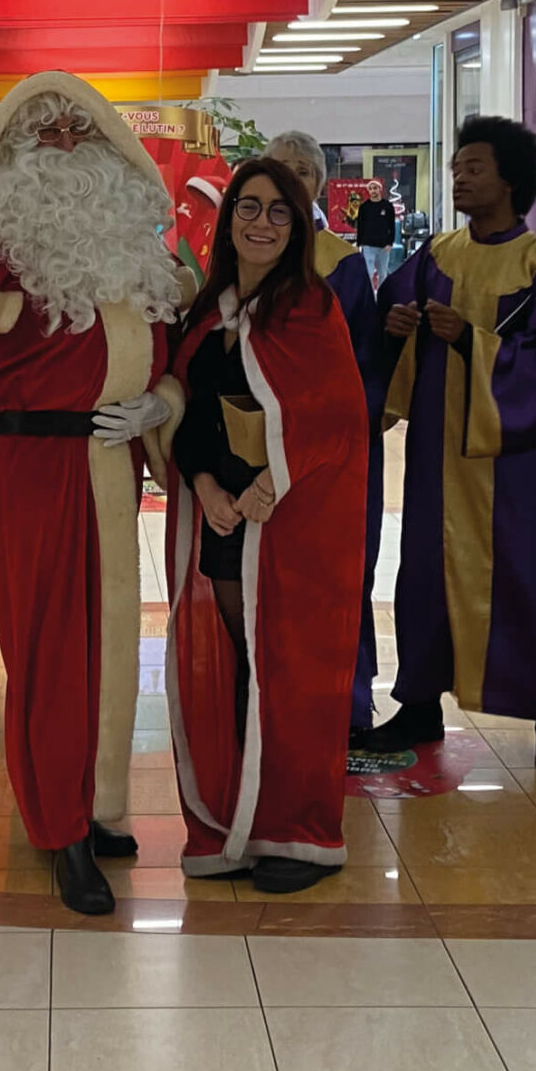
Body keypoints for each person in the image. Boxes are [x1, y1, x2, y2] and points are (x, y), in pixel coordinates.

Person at [0, 73, 185, 915]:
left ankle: (97, 802)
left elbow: (173, 350)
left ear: (109, 141)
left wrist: (162, 402)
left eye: (76, 124)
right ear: (11, 149)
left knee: (109, 643)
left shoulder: (134, 239)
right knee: (51, 651)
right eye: (40, 127)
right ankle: (60, 830)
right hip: (36, 469)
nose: (59, 137)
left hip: (114, 464)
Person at [355, 116, 536, 773]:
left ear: (511, 179)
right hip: (441, 457)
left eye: (475, 168)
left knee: (525, 580)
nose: (461, 178)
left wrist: (469, 338)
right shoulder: (438, 257)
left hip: (519, 464)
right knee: (427, 578)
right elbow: (390, 318)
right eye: (457, 167)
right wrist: (397, 322)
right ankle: (419, 704)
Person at [161, 157, 366, 891]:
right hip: (220, 520)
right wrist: (207, 483)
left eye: (279, 211)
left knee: (291, 673)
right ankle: (237, 819)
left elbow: (340, 419)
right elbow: (185, 408)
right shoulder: (207, 309)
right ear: (228, 218)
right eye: (249, 207)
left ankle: (296, 831)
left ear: (299, 225)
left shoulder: (310, 308)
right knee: (238, 669)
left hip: (289, 526)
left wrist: (269, 488)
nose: (261, 223)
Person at [265, 136, 389, 735]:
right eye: (282, 169)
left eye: (305, 171)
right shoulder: (246, 253)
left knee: (340, 576)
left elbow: (362, 365)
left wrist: (326, 431)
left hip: (335, 451)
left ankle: (349, 699)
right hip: (260, 448)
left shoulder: (340, 265)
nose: (293, 179)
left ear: (320, 185)